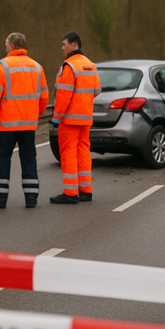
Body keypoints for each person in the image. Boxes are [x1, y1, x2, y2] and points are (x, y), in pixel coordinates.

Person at [0, 32, 48, 208]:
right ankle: (31, 197)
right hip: (28, 124)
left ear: (11, 46)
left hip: (6, 125)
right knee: (29, 159)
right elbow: (44, 97)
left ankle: (0, 199)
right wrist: (36, 113)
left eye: (6, 44)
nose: (5, 47)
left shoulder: (2, 66)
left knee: (3, 159)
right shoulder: (37, 67)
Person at [49, 32, 100, 204]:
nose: (62, 47)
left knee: (68, 152)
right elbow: (97, 91)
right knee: (83, 151)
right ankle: (86, 191)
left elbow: (63, 96)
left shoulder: (69, 66)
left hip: (69, 119)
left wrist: (56, 117)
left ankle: (70, 192)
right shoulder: (91, 65)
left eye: (64, 44)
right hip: (85, 118)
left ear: (74, 44)